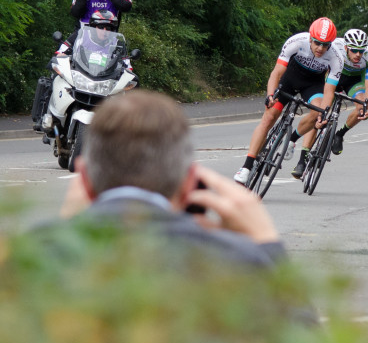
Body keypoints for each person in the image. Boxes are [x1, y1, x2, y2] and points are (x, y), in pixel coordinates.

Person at [57, 90, 285, 268]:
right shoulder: (233, 261)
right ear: (189, 184)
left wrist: (64, 230)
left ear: (83, 179)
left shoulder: (29, 257)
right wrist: (266, 242)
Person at [233, 18, 344, 185]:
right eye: (317, 43)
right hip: (290, 79)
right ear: (310, 38)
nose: (320, 48)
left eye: (325, 45)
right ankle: (246, 167)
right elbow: (276, 73)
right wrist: (270, 95)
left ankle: (292, 139)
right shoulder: (296, 41)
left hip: (313, 84)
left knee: (317, 112)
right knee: (269, 118)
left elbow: (329, 91)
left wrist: (324, 112)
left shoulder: (336, 57)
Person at [328, 29, 368, 155]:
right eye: (354, 50)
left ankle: (340, 134)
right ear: (346, 47)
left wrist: (365, 108)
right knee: (321, 106)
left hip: (354, 81)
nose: (358, 54)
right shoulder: (335, 46)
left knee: (362, 107)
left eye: (361, 51)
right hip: (335, 75)